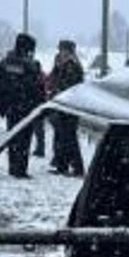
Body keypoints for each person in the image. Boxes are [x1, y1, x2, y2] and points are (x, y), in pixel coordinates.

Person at [0, 33, 46, 178]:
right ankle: (20, 169)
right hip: (26, 107)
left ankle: (12, 167)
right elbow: (37, 87)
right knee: (24, 140)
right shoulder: (31, 65)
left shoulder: (5, 62)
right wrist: (40, 104)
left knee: (13, 138)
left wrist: (2, 104)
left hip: (12, 107)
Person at [49, 39, 86, 176]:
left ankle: (78, 168)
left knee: (69, 138)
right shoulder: (62, 64)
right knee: (60, 136)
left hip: (70, 106)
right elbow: (54, 80)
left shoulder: (72, 65)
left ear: (69, 51)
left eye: (62, 50)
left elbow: (68, 86)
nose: (60, 53)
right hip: (62, 105)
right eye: (59, 50)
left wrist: (58, 92)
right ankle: (61, 165)